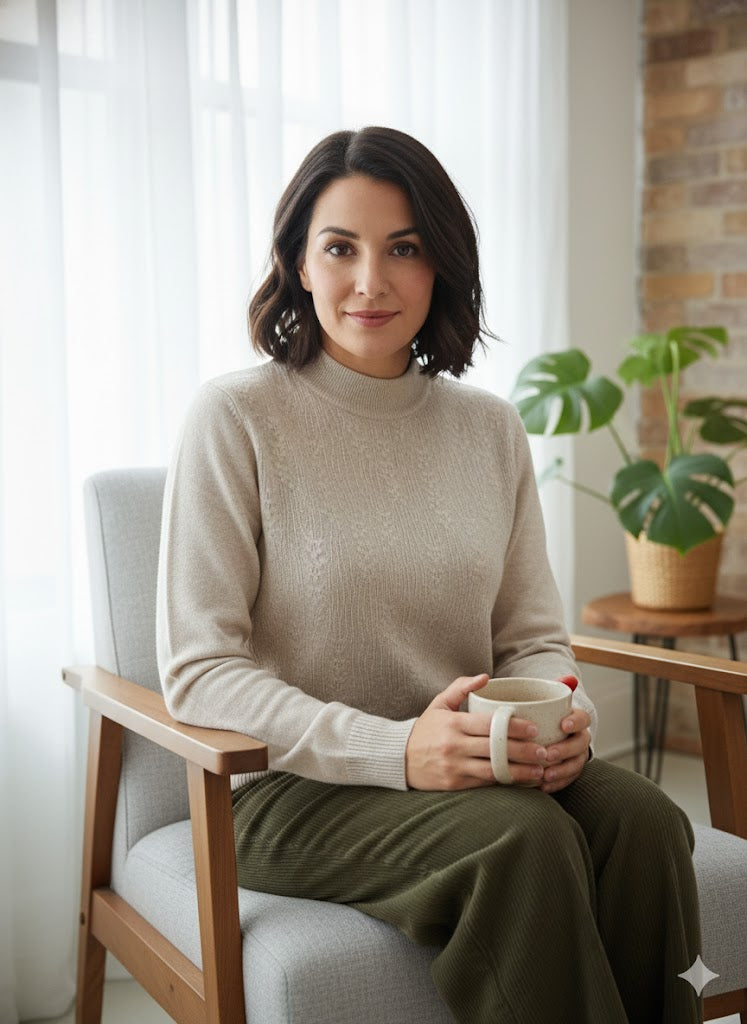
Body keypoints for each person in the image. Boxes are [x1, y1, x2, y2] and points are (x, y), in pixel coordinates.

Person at [156, 126, 702, 1024]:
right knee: (520, 842)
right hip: (287, 791)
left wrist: (566, 712)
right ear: (297, 261)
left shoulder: (487, 429)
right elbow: (198, 672)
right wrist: (395, 751)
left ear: (440, 264)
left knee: (643, 824)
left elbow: (532, 635)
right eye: (340, 247)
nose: (370, 281)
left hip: (475, 764)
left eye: (403, 249)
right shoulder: (236, 417)